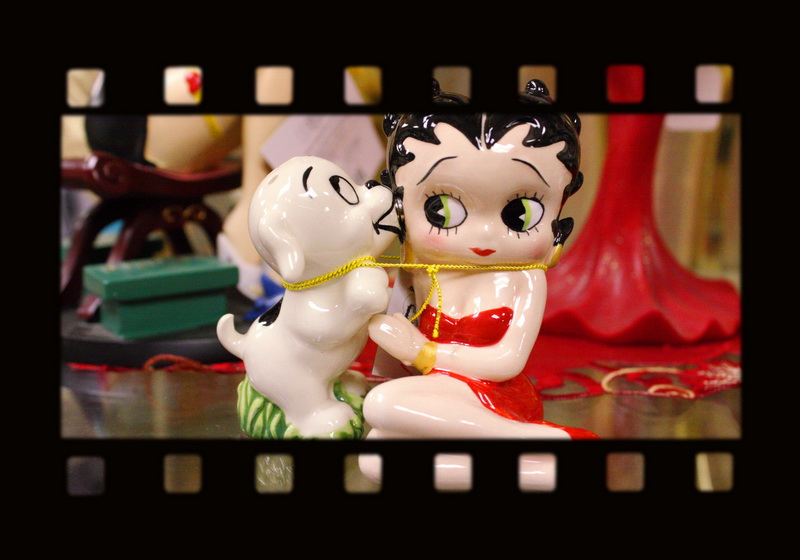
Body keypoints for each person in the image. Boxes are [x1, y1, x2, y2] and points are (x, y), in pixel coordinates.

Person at [363, 79, 598, 440]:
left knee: (381, 406)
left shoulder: (523, 277)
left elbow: (506, 362)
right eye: (441, 210)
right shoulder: (421, 269)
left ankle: (532, 439)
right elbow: (395, 347)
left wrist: (422, 352)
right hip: (433, 393)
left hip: (491, 397)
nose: (484, 235)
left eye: (520, 214)